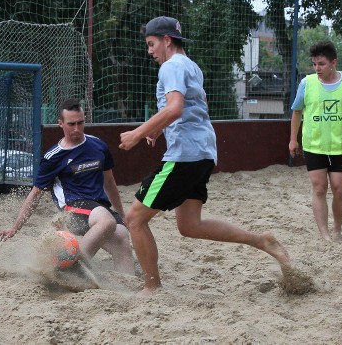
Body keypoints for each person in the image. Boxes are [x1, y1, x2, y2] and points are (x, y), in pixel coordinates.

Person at [119, 16, 291, 295]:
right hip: (203, 152)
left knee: (135, 219)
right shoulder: (191, 66)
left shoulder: (171, 66)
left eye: (151, 44)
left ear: (166, 40)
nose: (149, 51)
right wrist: (159, 129)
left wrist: (138, 132)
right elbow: (197, 106)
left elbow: (175, 108)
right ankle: (262, 241)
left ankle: (151, 287)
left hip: (184, 155)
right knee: (190, 225)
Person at [0, 98, 135, 275]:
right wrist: (15, 227)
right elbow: (35, 193)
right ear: (60, 123)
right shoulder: (53, 156)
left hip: (98, 207)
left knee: (122, 237)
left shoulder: (98, 145)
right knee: (107, 221)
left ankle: (126, 288)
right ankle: (73, 267)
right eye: (71, 124)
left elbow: (109, 182)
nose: (77, 129)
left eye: (81, 123)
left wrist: (121, 213)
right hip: (72, 208)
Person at [289, 41, 342, 242]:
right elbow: (297, 111)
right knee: (319, 188)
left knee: (338, 187)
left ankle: (337, 230)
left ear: (333, 62)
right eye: (314, 64)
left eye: (322, 64)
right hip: (314, 144)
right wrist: (293, 139)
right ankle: (325, 235)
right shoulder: (306, 83)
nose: (317, 68)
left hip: (339, 145)